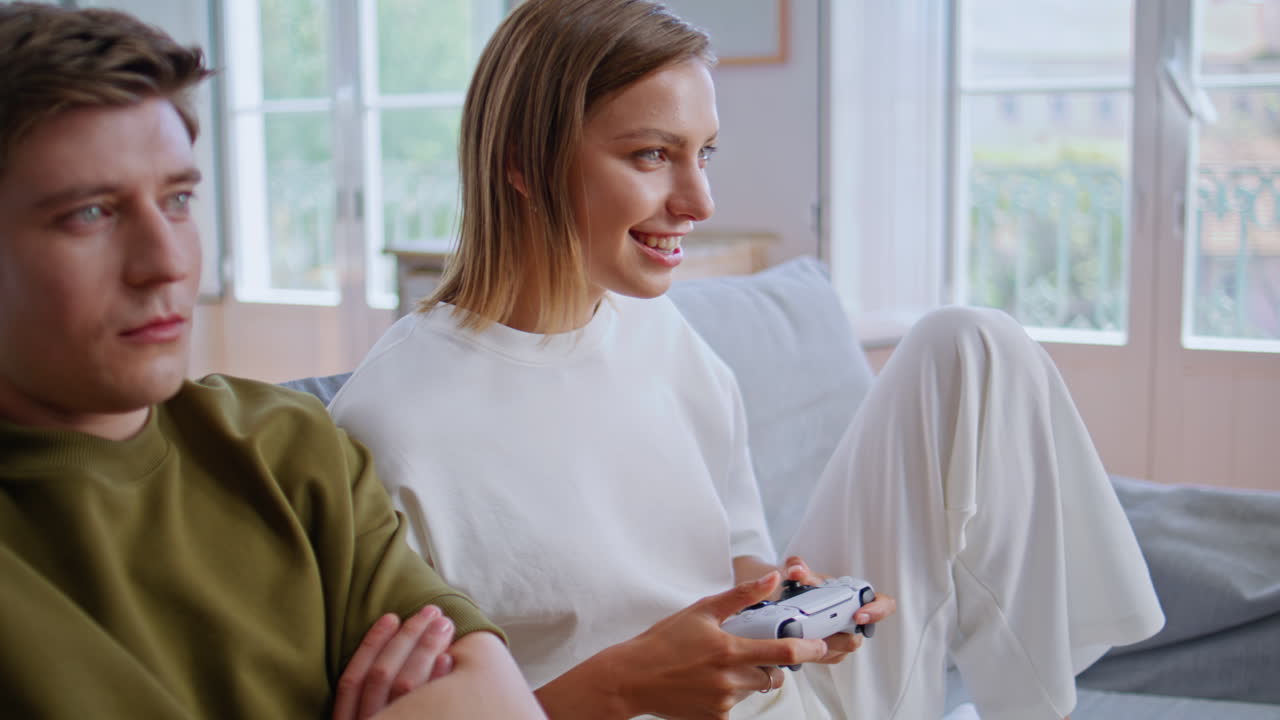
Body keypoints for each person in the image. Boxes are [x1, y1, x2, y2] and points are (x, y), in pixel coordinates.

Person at [329, 0, 1166, 718]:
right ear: (521, 163)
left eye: (706, 153)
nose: (699, 202)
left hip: (783, 697)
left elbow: (736, 556)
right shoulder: (392, 428)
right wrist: (627, 681)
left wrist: (778, 596)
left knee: (969, 344)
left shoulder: (663, 337)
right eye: (652, 155)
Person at [0, 4, 547, 719]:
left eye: (178, 199)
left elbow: (489, 698)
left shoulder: (288, 447)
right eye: (90, 213)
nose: (165, 262)